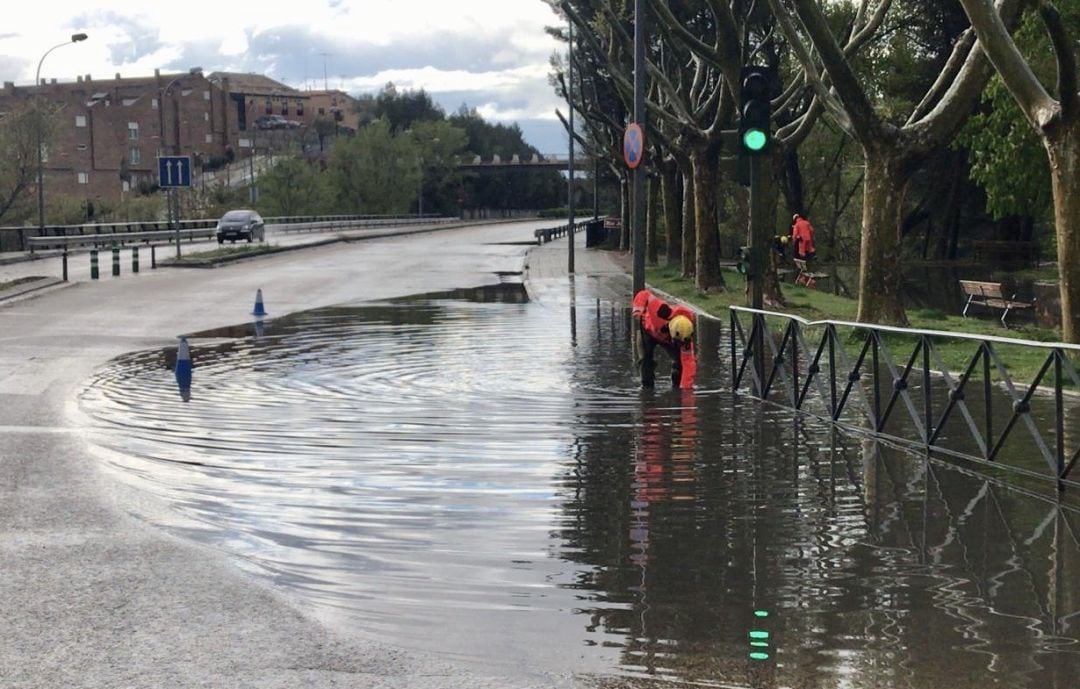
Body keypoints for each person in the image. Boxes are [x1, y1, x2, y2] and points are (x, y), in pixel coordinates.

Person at [632, 289, 697, 389]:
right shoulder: (661, 310)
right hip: (647, 331)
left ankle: (676, 386)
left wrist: (686, 391)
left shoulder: (685, 336)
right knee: (645, 360)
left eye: (681, 344)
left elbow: (689, 365)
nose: (680, 346)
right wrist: (638, 310)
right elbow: (644, 294)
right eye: (677, 342)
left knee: (680, 362)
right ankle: (647, 389)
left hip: (663, 337)